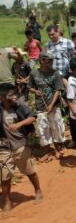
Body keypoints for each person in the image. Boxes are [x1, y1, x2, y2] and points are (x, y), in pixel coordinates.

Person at [0, 83, 43, 214]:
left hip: (20, 145)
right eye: (10, 95)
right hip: (4, 147)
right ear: (1, 97)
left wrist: (20, 124)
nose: (14, 97)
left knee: (29, 171)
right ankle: (7, 200)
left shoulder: (19, 106)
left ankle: (37, 190)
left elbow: (32, 117)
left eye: (14, 94)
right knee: (5, 176)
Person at [28, 52, 65, 162]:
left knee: (57, 127)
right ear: (42, 60)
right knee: (43, 128)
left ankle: (58, 149)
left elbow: (58, 90)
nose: (50, 63)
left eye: (51, 60)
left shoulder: (56, 73)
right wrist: (35, 91)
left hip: (54, 106)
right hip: (40, 106)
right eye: (48, 60)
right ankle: (47, 151)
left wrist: (51, 105)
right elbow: (29, 87)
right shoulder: (34, 73)